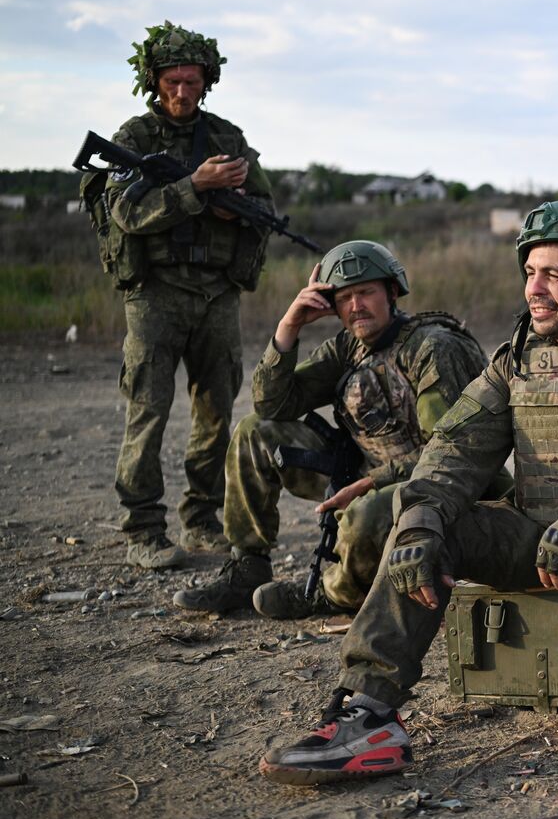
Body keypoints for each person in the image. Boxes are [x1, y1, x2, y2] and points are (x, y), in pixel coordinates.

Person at [259, 198, 558, 783]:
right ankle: (369, 710)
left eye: (553, 274)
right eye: (530, 272)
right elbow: (455, 446)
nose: (535, 288)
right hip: (539, 539)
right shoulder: (516, 358)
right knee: (424, 519)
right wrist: (422, 515)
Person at [172, 240, 502, 617]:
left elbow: (452, 451)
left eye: (366, 293)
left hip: (442, 485)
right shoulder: (350, 347)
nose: (356, 306)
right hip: (368, 474)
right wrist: (289, 324)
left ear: (391, 292)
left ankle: (333, 595)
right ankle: (247, 566)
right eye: (344, 298)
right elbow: (271, 405)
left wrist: (373, 482)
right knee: (255, 432)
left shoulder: (433, 347)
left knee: (366, 512)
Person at [103, 21, 274, 570]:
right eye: (172, 81)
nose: (182, 92)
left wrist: (234, 204)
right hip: (156, 294)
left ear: (208, 81)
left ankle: (202, 519)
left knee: (216, 412)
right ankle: (143, 528)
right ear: (153, 81)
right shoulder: (134, 139)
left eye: (193, 82)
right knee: (148, 409)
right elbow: (125, 212)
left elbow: (265, 209)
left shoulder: (227, 138)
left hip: (217, 294)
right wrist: (193, 190)